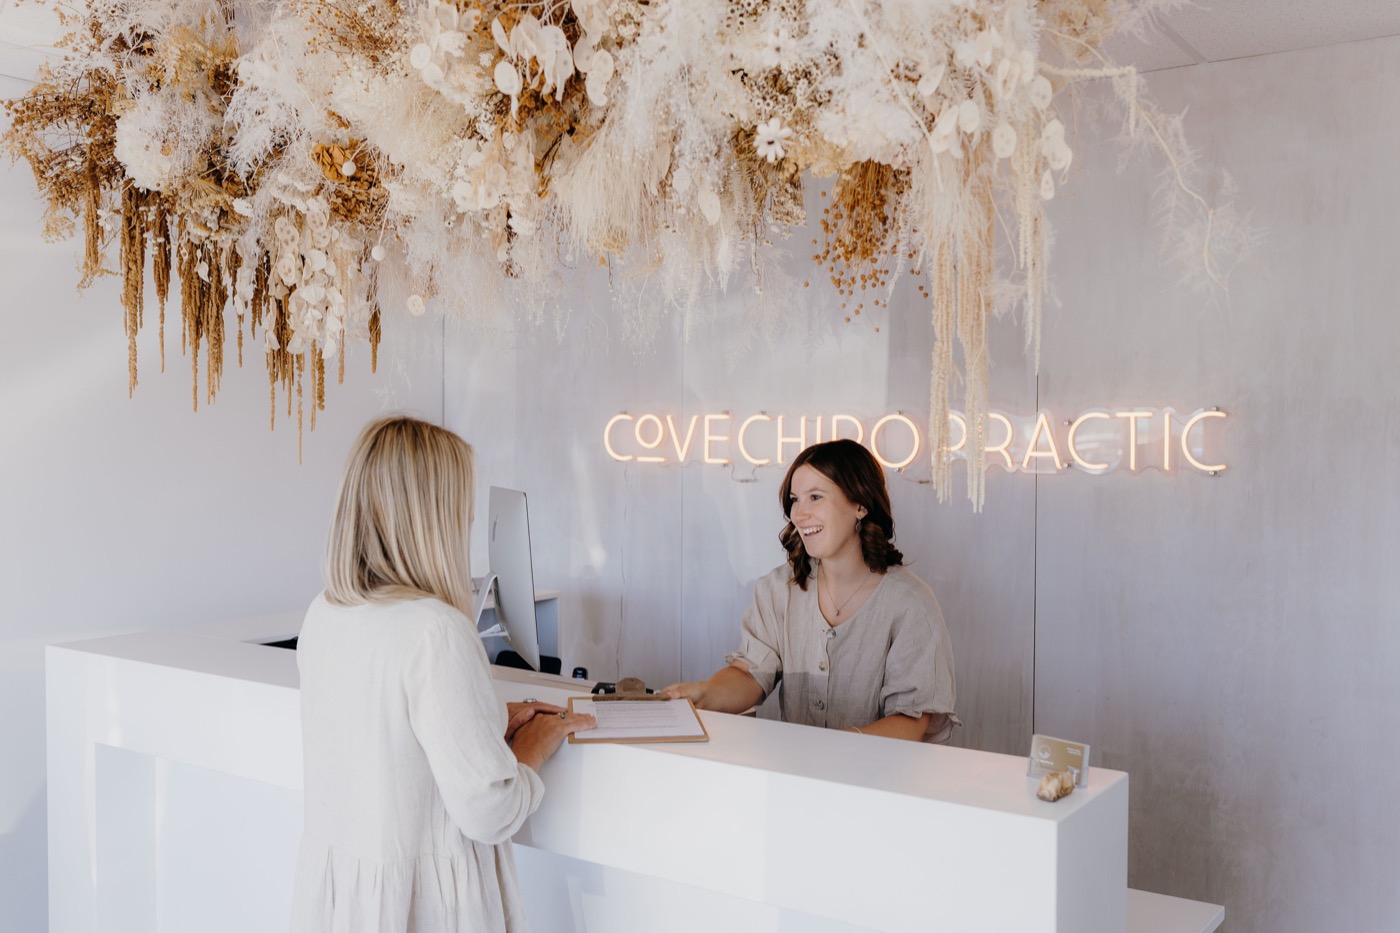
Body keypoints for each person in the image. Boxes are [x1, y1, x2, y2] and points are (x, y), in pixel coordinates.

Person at [290, 416, 594, 933]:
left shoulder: (324, 612)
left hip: (343, 906)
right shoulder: (436, 630)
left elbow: (390, 738)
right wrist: (535, 745)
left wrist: (484, 718)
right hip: (424, 911)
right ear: (432, 520)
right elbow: (490, 810)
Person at [664, 439, 958, 742]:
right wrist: (703, 693)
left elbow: (912, 720)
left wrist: (832, 749)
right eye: (794, 499)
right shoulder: (778, 589)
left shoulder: (910, 603)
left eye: (815, 497)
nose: (799, 514)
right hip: (792, 779)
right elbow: (749, 675)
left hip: (877, 783)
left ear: (860, 504)